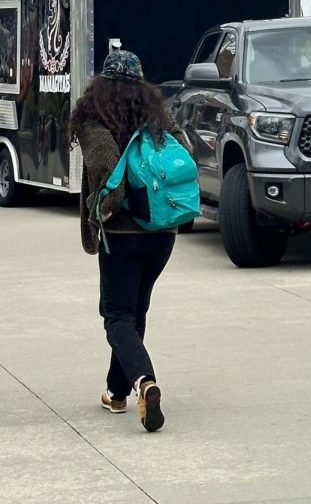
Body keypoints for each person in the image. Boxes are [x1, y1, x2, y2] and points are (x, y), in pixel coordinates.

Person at [69, 49, 191, 433]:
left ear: (102, 81)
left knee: (116, 316)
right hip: (162, 233)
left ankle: (145, 382)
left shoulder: (92, 117)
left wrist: (100, 209)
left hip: (122, 234)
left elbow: (107, 169)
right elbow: (182, 157)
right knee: (134, 311)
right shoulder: (158, 115)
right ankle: (116, 391)